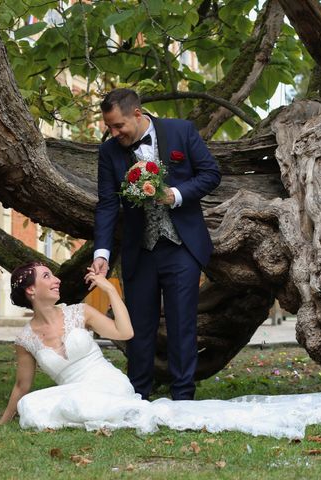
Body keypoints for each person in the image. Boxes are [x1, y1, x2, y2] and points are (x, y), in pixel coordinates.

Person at [0, 262, 321, 437]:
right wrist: (4, 419)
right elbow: (21, 388)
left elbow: (125, 333)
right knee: (32, 405)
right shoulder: (25, 339)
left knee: (59, 406)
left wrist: (109, 291)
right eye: (47, 277)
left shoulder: (80, 312)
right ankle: (103, 416)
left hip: (106, 384)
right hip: (75, 389)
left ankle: (115, 412)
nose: (56, 279)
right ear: (30, 291)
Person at [92, 88, 221, 401]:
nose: (114, 132)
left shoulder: (181, 131)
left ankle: (183, 398)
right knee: (139, 327)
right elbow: (108, 204)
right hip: (141, 250)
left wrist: (175, 195)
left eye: (118, 125)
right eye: (109, 127)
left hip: (181, 247)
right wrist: (102, 253)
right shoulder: (110, 152)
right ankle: (137, 396)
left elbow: (211, 174)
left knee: (181, 325)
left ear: (137, 114)